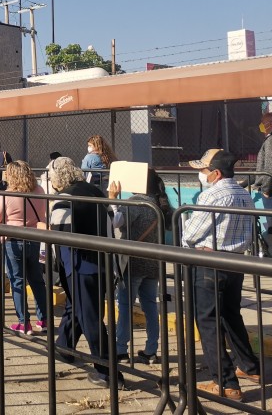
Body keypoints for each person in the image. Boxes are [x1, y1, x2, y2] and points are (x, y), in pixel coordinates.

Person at [183, 149, 261, 401]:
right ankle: (249, 366)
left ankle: (225, 382)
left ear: (215, 173)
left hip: (210, 261)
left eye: (203, 170)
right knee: (230, 315)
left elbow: (190, 234)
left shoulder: (212, 195)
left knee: (207, 321)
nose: (201, 175)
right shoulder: (243, 193)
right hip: (235, 261)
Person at [48, 156, 123, 389]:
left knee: (90, 318)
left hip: (79, 265)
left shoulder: (64, 199)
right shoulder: (95, 191)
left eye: (51, 176)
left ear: (59, 176)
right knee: (76, 307)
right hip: (101, 262)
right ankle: (65, 347)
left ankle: (108, 372)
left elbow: (57, 237)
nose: (50, 181)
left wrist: (53, 264)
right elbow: (111, 223)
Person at [108, 169, 166, 365]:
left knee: (124, 305)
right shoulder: (158, 203)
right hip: (153, 262)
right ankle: (151, 350)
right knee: (150, 305)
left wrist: (112, 198)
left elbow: (116, 222)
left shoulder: (135, 202)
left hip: (133, 262)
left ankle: (121, 349)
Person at [0, 161, 48, 334]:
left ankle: (24, 322)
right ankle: (43, 319)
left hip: (13, 240)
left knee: (17, 281)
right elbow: (41, 215)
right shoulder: (39, 191)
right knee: (37, 280)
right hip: (34, 238)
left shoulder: (7, 195)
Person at [251, 113, 272, 245]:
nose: (261, 126)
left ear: (269, 124)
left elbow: (269, 166)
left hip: (270, 190)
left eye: (263, 123)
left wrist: (266, 189)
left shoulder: (270, 141)